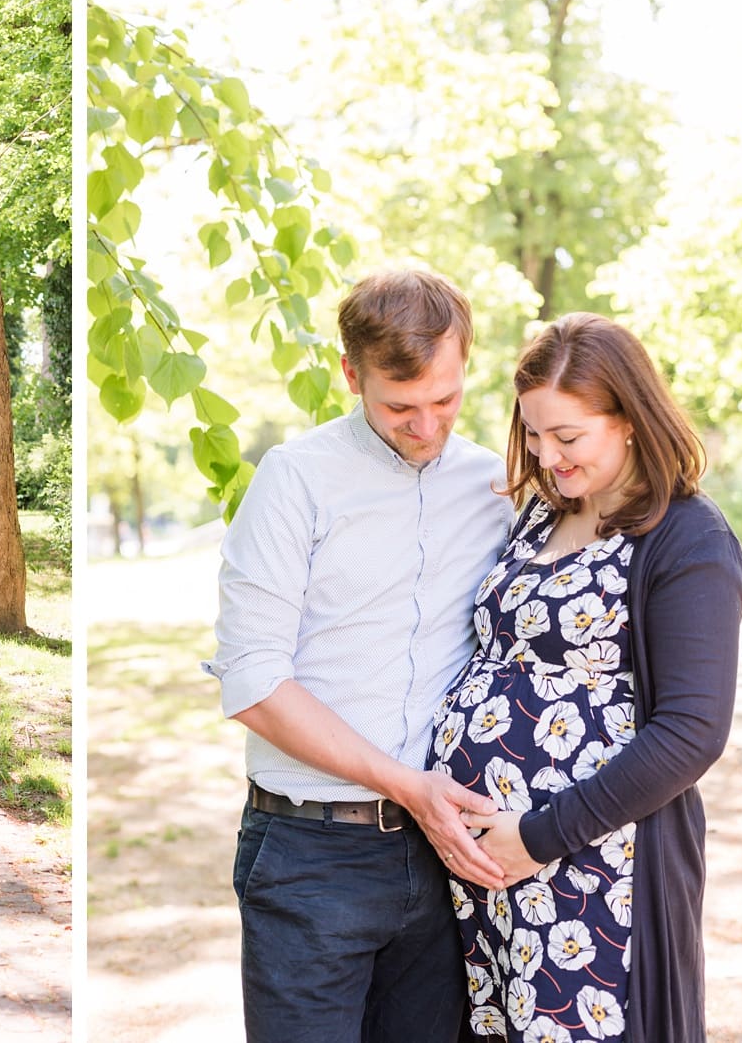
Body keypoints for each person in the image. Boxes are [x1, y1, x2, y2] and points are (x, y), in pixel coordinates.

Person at [204, 267, 514, 1043]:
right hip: (312, 856)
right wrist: (407, 786)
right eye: (399, 406)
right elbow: (253, 682)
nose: (426, 425)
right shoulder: (294, 481)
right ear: (351, 375)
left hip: (449, 862)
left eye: (445, 400)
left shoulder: (498, 484)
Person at [431, 312, 742, 1042]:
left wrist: (539, 835)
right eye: (534, 435)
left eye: (567, 437)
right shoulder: (543, 515)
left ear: (631, 418)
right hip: (497, 872)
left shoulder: (687, 537)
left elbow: (692, 732)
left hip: (593, 872)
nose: (547, 455)